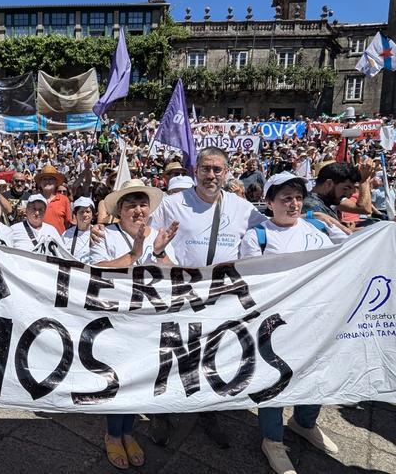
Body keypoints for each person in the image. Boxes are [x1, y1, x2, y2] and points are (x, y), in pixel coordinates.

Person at [146, 146, 269, 448]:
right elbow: (146, 235)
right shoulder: (173, 204)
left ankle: (207, 409)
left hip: (220, 294)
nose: (211, 175)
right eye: (206, 169)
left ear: (227, 173)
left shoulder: (242, 209)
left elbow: (276, 228)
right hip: (178, 290)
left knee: (213, 354)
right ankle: (159, 410)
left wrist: (322, 220)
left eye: (218, 170)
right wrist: (100, 230)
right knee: (170, 351)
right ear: (195, 171)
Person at [238, 172, 339, 473]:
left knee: (315, 374)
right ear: (270, 203)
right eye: (285, 199)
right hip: (275, 324)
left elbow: (359, 248)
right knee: (275, 380)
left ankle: (304, 423)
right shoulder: (257, 237)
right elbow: (251, 282)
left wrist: (395, 228)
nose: (293, 204)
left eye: (297, 198)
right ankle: (272, 439)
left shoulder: (320, 229)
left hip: (315, 319)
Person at [89, 179, 178, 470]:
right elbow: (93, 269)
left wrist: (161, 252)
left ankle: (128, 431)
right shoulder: (104, 235)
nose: (138, 210)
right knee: (118, 379)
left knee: (138, 380)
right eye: (131, 205)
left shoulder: (160, 235)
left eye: (142, 204)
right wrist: (133, 256)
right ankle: (113, 434)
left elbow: (178, 278)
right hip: (115, 321)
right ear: (120, 211)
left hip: (150, 323)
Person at [35, 165, 72, 234]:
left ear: (56, 182)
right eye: (44, 179)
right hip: (38, 240)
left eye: (51, 179)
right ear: (40, 183)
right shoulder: (34, 199)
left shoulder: (64, 199)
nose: (47, 181)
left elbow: (68, 223)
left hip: (58, 240)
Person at [61, 197, 94, 263]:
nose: (85, 215)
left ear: (92, 215)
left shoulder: (98, 233)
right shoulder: (66, 234)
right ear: (75, 215)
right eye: (81, 212)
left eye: (88, 212)